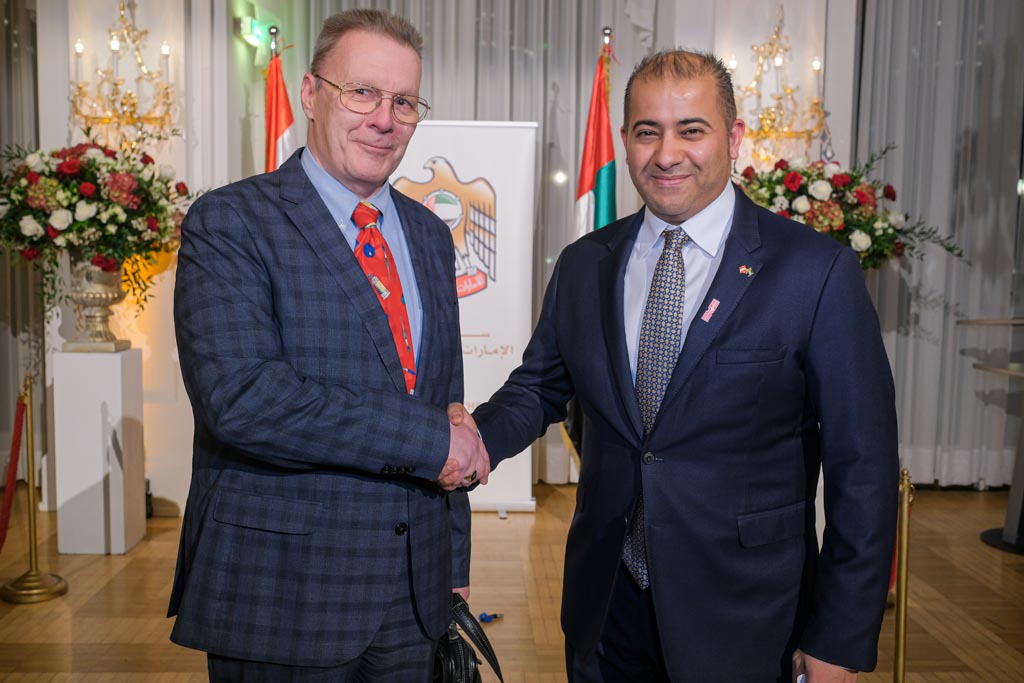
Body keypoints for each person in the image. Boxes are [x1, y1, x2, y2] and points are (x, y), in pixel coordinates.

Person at [450, 49, 898, 682]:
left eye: (691, 130)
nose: (667, 154)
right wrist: (477, 440)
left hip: (748, 619)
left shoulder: (814, 272)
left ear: (733, 138)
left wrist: (840, 636)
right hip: (605, 612)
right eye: (647, 131)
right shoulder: (585, 263)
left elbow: (864, 466)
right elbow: (542, 386)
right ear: (624, 140)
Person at [167, 9, 489, 681]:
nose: (384, 119)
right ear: (311, 94)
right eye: (362, 93)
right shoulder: (231, 221)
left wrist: (452, 562)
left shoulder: (430, 235)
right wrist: (432, 439)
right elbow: (244, 400)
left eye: (404, 102)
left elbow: (446, 401)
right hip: (284, 593)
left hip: (414, 595)